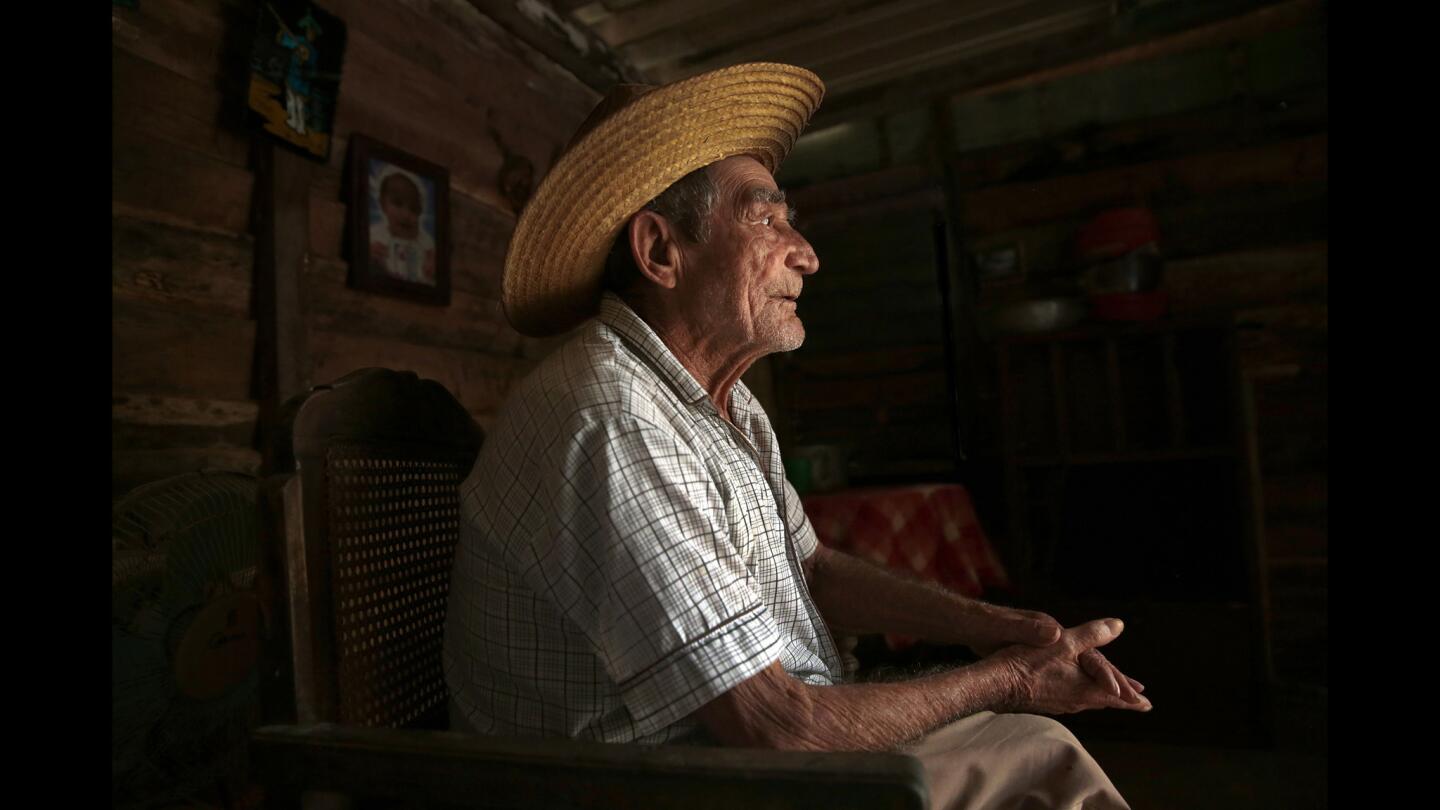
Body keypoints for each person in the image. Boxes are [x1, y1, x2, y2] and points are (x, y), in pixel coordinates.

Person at [443, 63, 1149, 809]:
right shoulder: (609, 418)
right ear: (660, 253)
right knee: (1037, 758)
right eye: (766, 218)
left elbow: (811, 570)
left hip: (747, 758)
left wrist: (992, 629)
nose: (804, 251)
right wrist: (1010, 680)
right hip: (650, 786)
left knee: (1031, 750)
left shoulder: (724, 404)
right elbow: (776, 724)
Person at [369, 166, 436, 284]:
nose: (406, 215)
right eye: (398, 203)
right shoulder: (376, 233)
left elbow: (432, 258)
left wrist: (432, 263)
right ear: (383, 204)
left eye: (413, 209)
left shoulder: (423, 239)